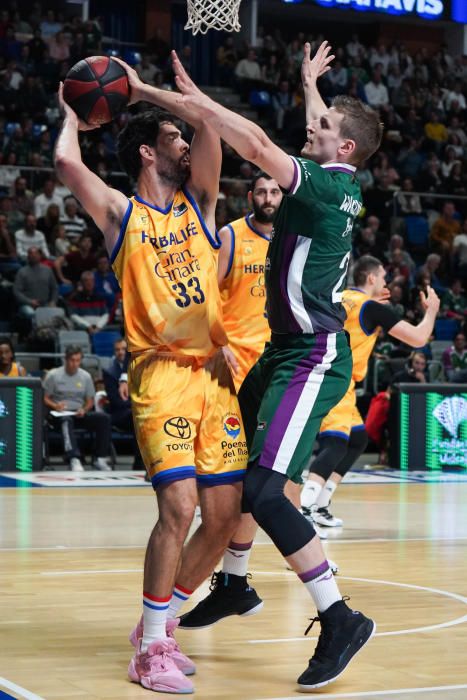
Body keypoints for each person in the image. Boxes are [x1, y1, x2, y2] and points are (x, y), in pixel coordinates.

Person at [171, 40, 383, 690]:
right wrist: (308, 83)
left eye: (318, 128)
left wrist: (198, 105)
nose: (310, 126)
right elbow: (328, 133)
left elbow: (261, 145)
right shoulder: (347, 180)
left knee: (265, 492)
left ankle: (338, 616)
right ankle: (233, 582)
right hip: (280, 349)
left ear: (338, 150)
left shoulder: (318, 185)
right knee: (244, 471)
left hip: (310, 352)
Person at [55, 58, 247, 694]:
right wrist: (69, 116)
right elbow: (64, 167)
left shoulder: (202, 202)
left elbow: (208, 121)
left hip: (215, 375)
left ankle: (158, 622)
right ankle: (153, 648)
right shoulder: (120, 213)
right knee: (180, 506)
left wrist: (143, 89)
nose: (186, 143)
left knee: (224, 515)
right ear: (147, 151)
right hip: (159, 374)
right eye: (173, 139)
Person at [300, 256, 439, 528]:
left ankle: (321, 503)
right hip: (335, 379)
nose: (387, 282)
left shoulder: (340, 297)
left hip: (327, 375)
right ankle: (305, 505)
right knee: (336, 442)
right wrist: (432, 310)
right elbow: (419, 338)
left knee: (358, 439)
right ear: (371, 278)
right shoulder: (372, 308)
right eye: (384, 277)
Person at [218, 172, 281, 391]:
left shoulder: (291, 239)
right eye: (262, 192)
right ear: (250, 197)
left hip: (276, 354)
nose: (268, 199)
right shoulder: (229, 235)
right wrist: (218, 343)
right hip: (235, 354)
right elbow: (208, 294)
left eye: (275, 192)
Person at [43, 345, 112, 472]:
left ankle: (99, 458)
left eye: (78, 360)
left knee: (104, 419)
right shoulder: (54, 375)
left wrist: (84, 410)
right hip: (59, 414)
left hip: (79, 413)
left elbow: (90, 400)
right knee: (66, 420)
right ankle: (73, 458)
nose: (75, 364)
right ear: (65, 359)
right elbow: (45, 398)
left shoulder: (85, 376)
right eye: (72, 360)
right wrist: (55, 406)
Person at [102, 337, 144, 469]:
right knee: (137, 415)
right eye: (117, 350)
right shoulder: (109, 372)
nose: (121, 352)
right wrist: (136, 403)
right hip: (118, 414)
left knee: (141, 416)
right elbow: (116, 401)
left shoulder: (137, 369)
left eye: (123, 349)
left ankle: (145, 460)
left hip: (132, 410)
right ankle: (139, 463)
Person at [13, 245, 58, 320]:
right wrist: (29, 301)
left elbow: (54, 288)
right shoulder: (22, 272)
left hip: (45, 304)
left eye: (36, 253)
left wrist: (53, 301)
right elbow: (16, 291)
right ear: (28, 256)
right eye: (30, 253)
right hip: (28, 305)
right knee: (31, 314)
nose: (33, 255)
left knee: (55, 315)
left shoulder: (48, 270)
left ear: (40, 255)